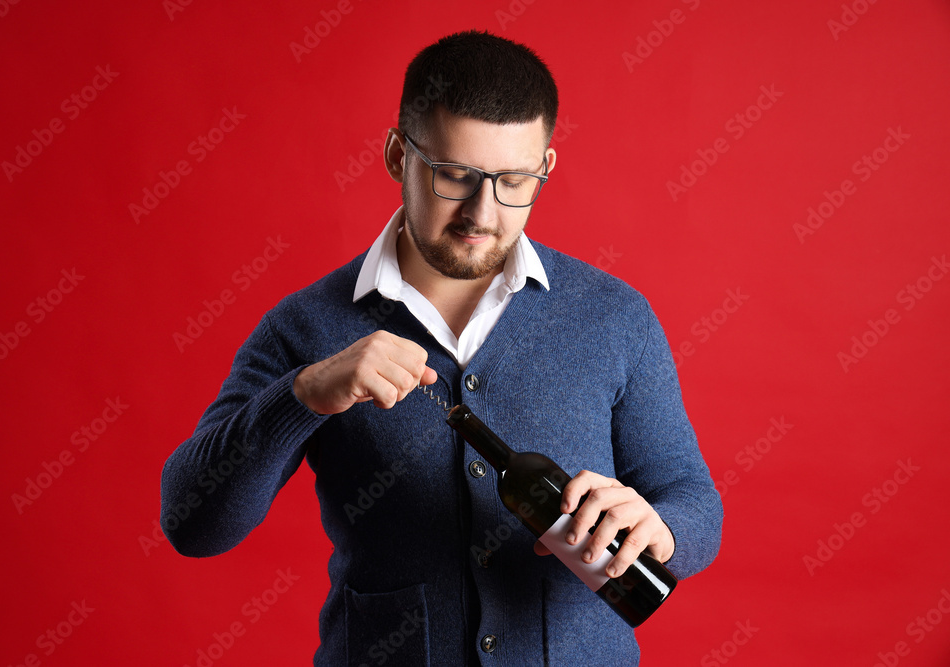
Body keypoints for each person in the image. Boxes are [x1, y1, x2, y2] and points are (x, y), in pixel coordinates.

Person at [161, 30, 722, 666]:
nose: (483, 214)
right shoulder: (305, 326)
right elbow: (191, 522)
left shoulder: (614, 315)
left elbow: (692, 500)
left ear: (546, 168)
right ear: (399, 155)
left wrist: (662, 529)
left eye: (514, 181)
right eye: (456, 176)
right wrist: (303, 397)